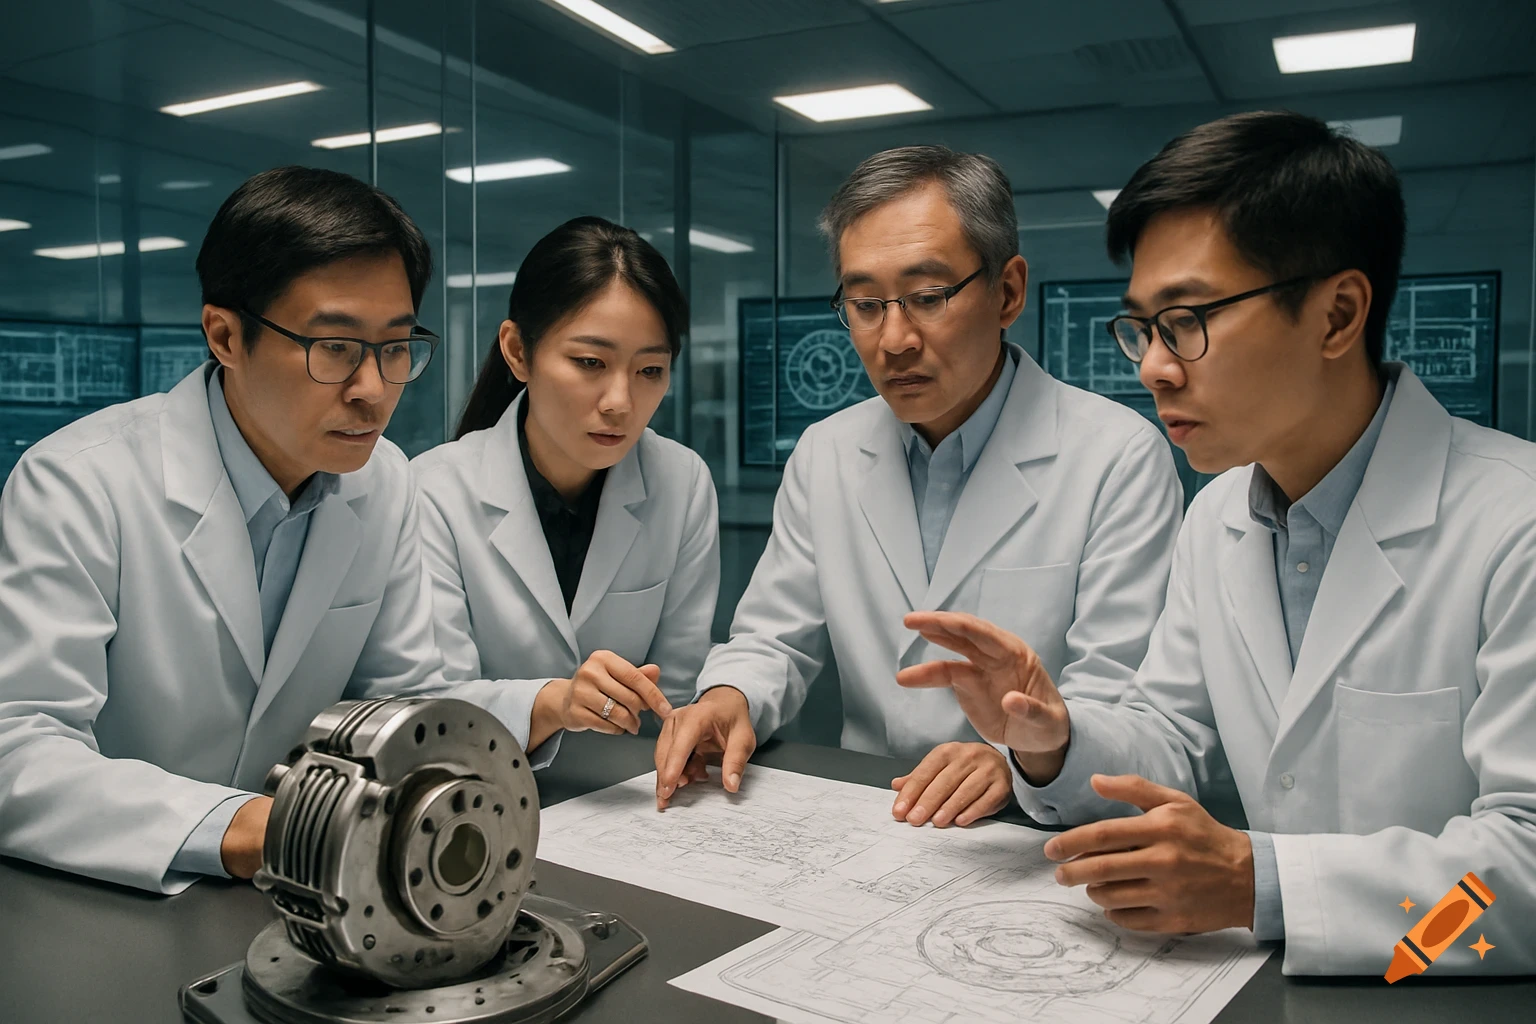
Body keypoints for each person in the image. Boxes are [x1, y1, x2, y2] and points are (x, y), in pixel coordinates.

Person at [901, 111, 1536, 974]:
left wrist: (1261, 885)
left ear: (1338, 313)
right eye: (1144, 328)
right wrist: (1050, 739)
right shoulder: (1220, 514)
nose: (1153, 367)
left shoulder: (1515, 525)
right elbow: (1172, 740)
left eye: (1188, 320)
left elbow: (1526, 880)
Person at [0, 167, 544, 894]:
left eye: (394, 346)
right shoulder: (76, 483)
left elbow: (401, 703)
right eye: (335, 348)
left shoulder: (384, 481)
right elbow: (18, 750)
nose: (373, 390)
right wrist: (247, 827)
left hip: (299, 887)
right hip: (104, 890)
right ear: (225, 335)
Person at [654, 145, 1184, 828]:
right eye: (865, 303)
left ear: (1009, 291)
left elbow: (1124, 701)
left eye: (928, 297)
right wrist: (730, 696)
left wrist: (1019, 757)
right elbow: (773, 637)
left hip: (1031, 833)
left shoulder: (1117, 457)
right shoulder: (827, 453)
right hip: (869, 817)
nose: (894, 338)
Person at [412, 217, 718, 764]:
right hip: (478, 795)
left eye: (650, 369)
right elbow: (430, 705)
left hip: (633, 798)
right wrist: (553, 702)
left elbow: (677, 690)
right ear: (518, 351)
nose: (620, 401)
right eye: (590, 363)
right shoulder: (433, 490)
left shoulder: (683, 480)